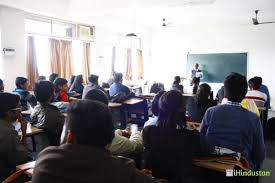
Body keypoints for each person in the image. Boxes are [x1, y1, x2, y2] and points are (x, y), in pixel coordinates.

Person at [32, 100, 158, 183]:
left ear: (70, 136)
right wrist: (142, 177)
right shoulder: (123, 170)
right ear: (109, 139)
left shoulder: (46, 159)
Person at [143, 90, 213, 182]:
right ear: (183, 110)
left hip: (154, 180)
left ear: (160, 108)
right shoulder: (192, 136)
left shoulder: (148, 131)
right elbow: (209, 149)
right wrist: (194, 130)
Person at [201, 73, 265, 168]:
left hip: (209, 168)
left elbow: (201, 140)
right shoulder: (253, 118)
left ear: (225, 92)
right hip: (237, 172)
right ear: (245, 94)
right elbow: (259, 156)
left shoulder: (210, 112)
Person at [84, 89, 143, 156]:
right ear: (106, 107)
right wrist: (135, 131)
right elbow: (138, 146)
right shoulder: (108, 138)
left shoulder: (78, 127)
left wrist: (119, 132)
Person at [0, 93, 28, 181]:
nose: (21, 109)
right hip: (6, 175)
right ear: (9, 113)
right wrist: (24, 132)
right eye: (19, 106)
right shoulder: (9, 132)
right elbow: (22, 158)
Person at [30, 81, 65, 146]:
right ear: (51, 94)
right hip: (57, 146)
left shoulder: (35, 109)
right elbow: (65, 130)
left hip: (42, 146)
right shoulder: (54, 113)